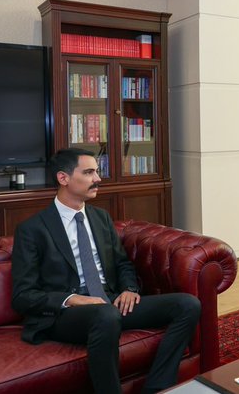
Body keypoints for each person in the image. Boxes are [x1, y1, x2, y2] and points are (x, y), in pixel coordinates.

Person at [11, 148, 201, 394]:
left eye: (97, 171)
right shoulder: (32, 229)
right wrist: (73, 299)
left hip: (109, 302)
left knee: (187, 305)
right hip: (65, 315)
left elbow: (122, 263)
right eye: (89, 172)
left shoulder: (100, 217)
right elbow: (23, 295)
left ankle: (157, 387)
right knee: (106, 315)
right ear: (63, 178)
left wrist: (129, 289)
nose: (98, 178)